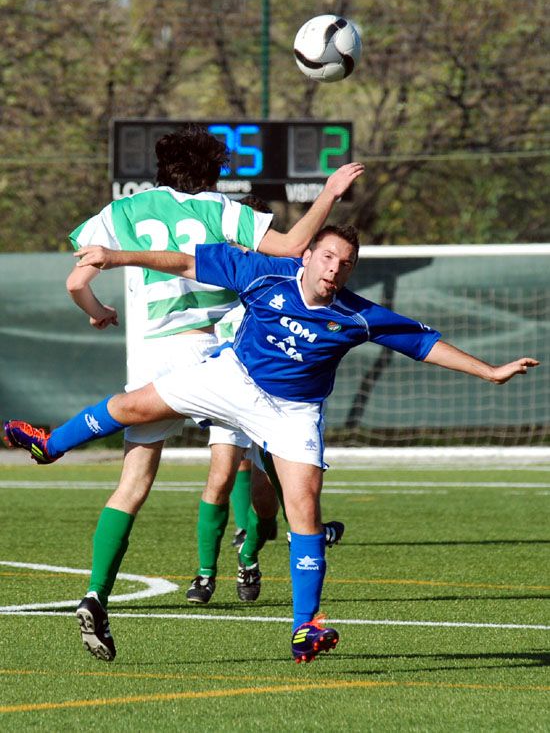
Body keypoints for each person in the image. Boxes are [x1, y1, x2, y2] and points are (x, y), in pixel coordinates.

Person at [5, 225, 539, 663]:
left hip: (292, 414)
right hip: (233, 377)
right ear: (307, 256)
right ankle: (49, 445)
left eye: (345, 262)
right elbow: (184, 262)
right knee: (130, 407)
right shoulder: (264, 275)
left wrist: (489, 372)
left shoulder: (357, 315)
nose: (334, 268)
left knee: (304, 511)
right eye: (327, 256)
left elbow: (424, 343)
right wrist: (115, 256)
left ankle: (305, 629)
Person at [62, 122, 365, 660]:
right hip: (220, 351)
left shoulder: (119, 214)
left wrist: (99, 312)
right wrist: (328, 193)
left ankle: (95, 593)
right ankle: (296, 543)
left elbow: (76, 280)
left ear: (160, 167)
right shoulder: (220, 212)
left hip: (152, 353)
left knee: (133, 482)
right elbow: (296, 245)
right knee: (272, 451)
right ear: (213, 172)